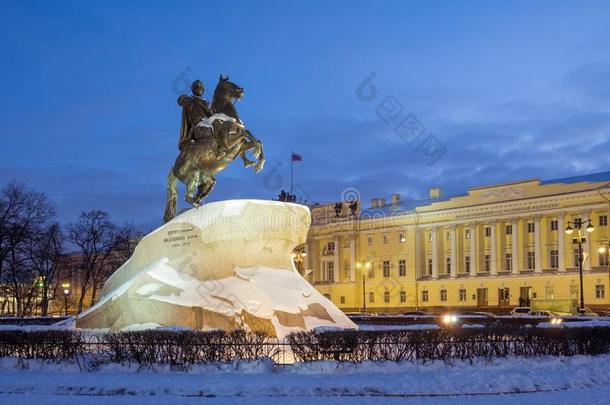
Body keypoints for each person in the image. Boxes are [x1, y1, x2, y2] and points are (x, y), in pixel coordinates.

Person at [177, 80, 213, 151]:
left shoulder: (207, 103)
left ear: (202, 89)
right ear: (193, 89)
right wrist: (183, 98)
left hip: (208, 123)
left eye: (200, 87)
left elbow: (211, 114)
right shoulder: (191, 99)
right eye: (196, 86)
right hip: (197, 124)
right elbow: (180, 101)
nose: (198, 88)